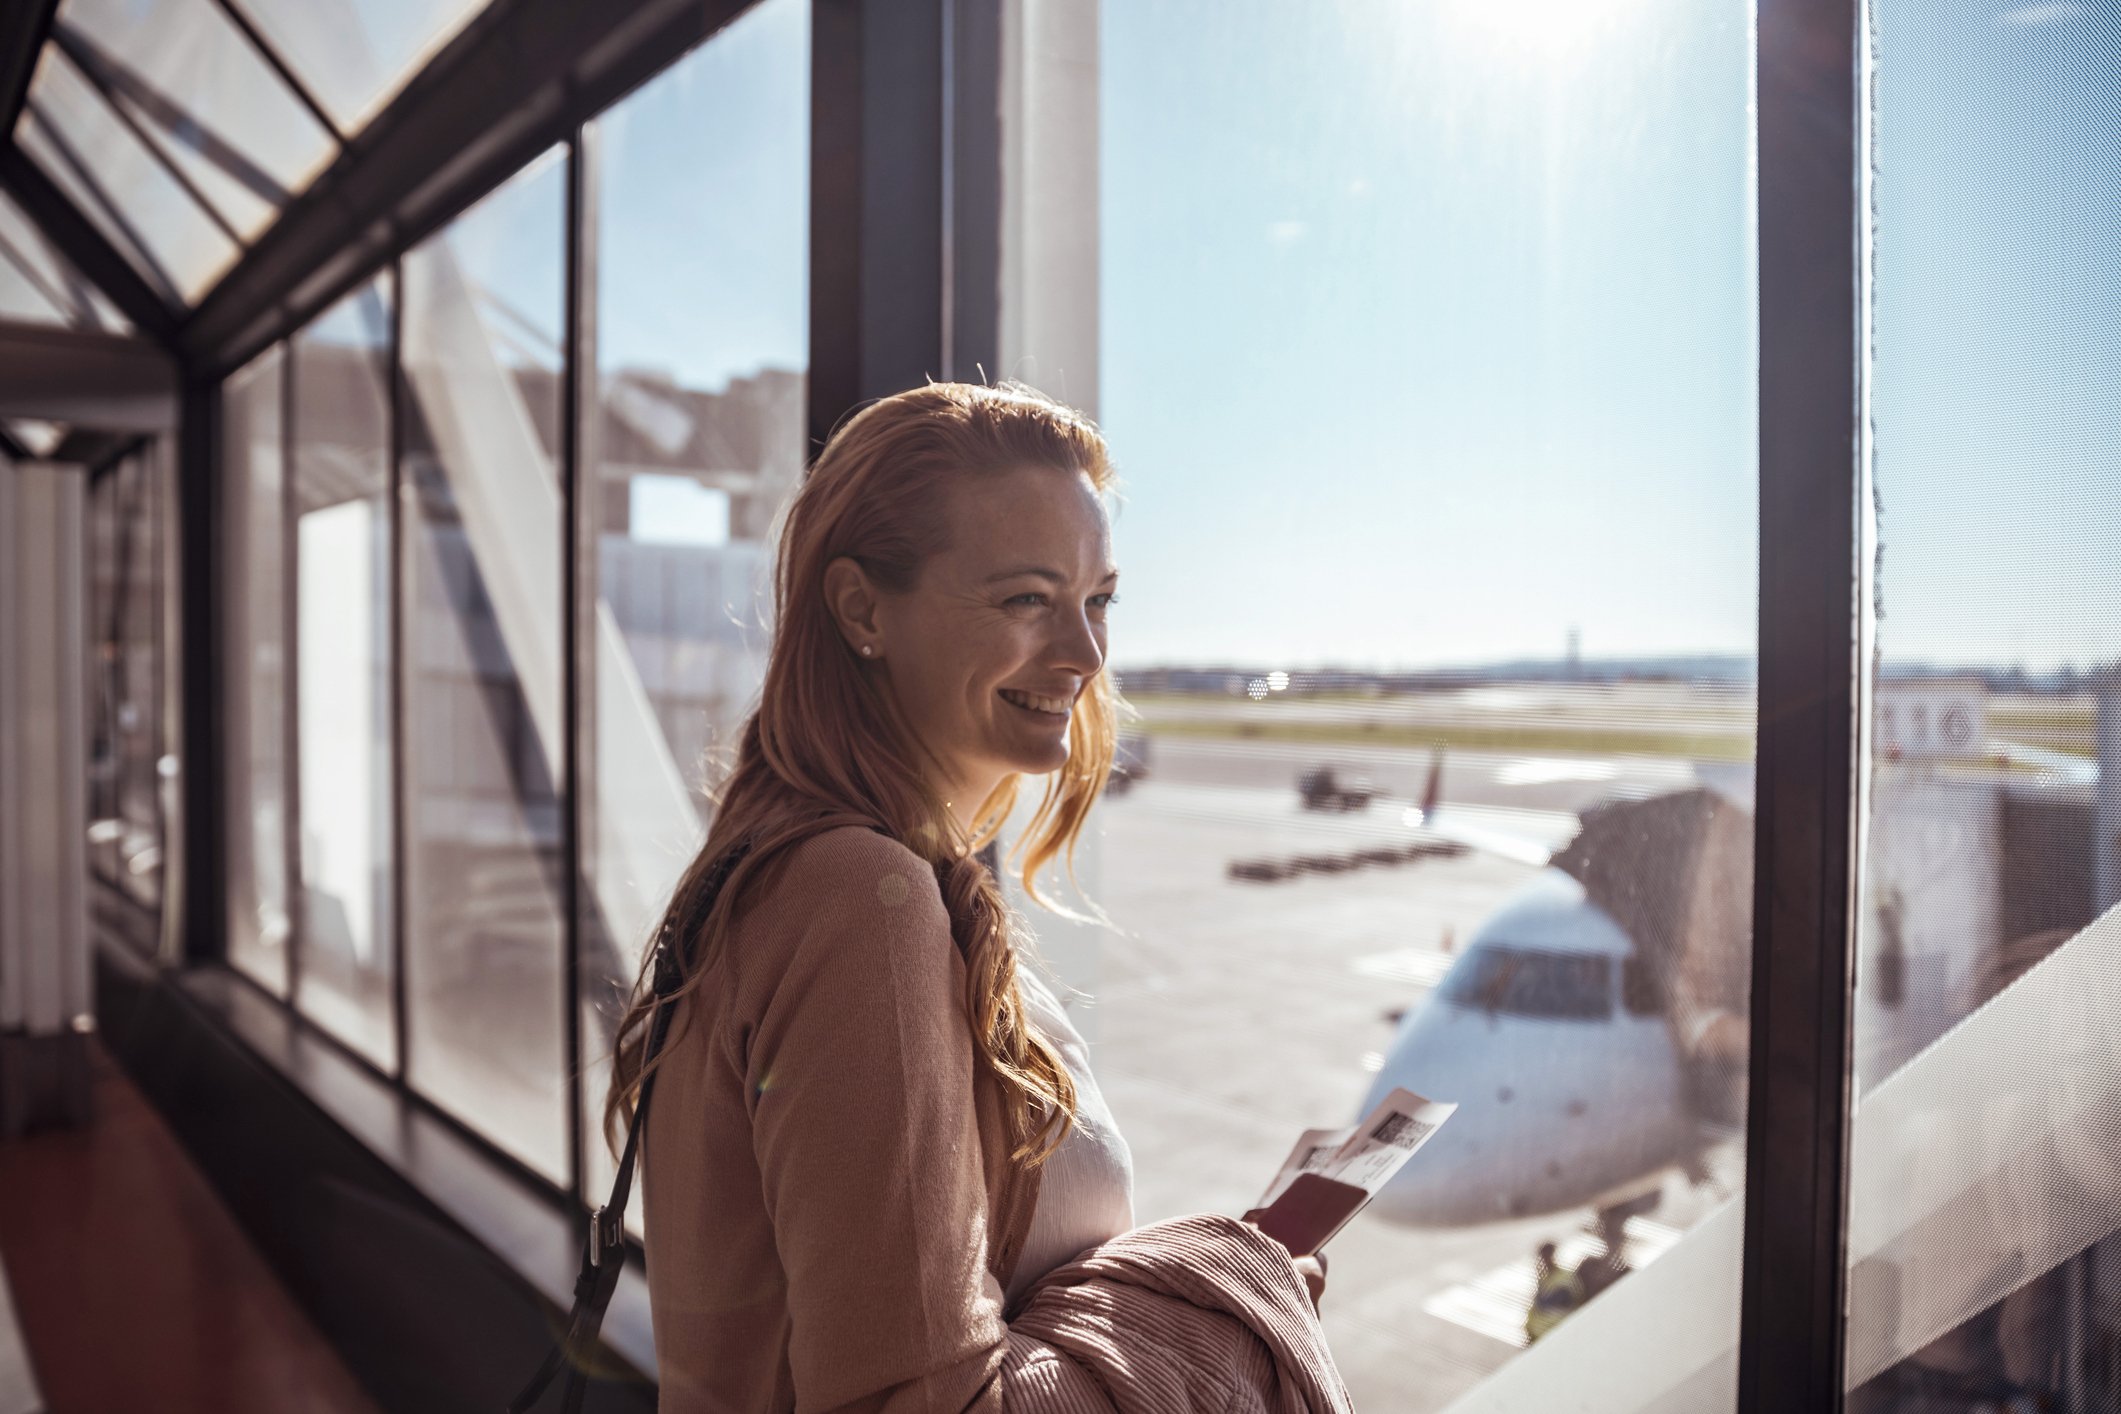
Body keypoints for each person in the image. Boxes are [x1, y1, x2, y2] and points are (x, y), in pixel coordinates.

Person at [603, 382, 1328, 1412]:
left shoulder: (808, 863)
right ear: (863, 610)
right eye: (1027, 598)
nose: (1085, 656)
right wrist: (1224, 1306)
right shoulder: (864, 899)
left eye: (1098, 599)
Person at [1526, 1241, 1584, 1344]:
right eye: (1541, 1258)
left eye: (1547, 1257)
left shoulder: (1565, 1277)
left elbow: (1573, 1300)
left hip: (1556, 1331)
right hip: (1539, 1333)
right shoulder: (1544, 1280)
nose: (1544, 1261)